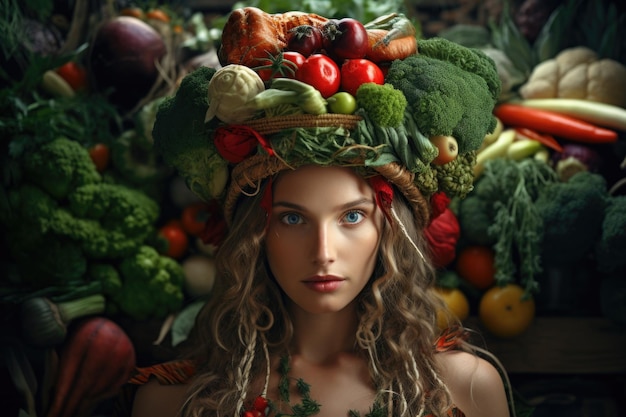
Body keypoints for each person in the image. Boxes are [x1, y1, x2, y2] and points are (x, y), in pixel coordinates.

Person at [118, 9, 512, 417]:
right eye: (292, 218)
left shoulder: (466, 390)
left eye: (352, 217)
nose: (323, 251)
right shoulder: (174, 402)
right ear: (255, 232)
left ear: (391, 227)